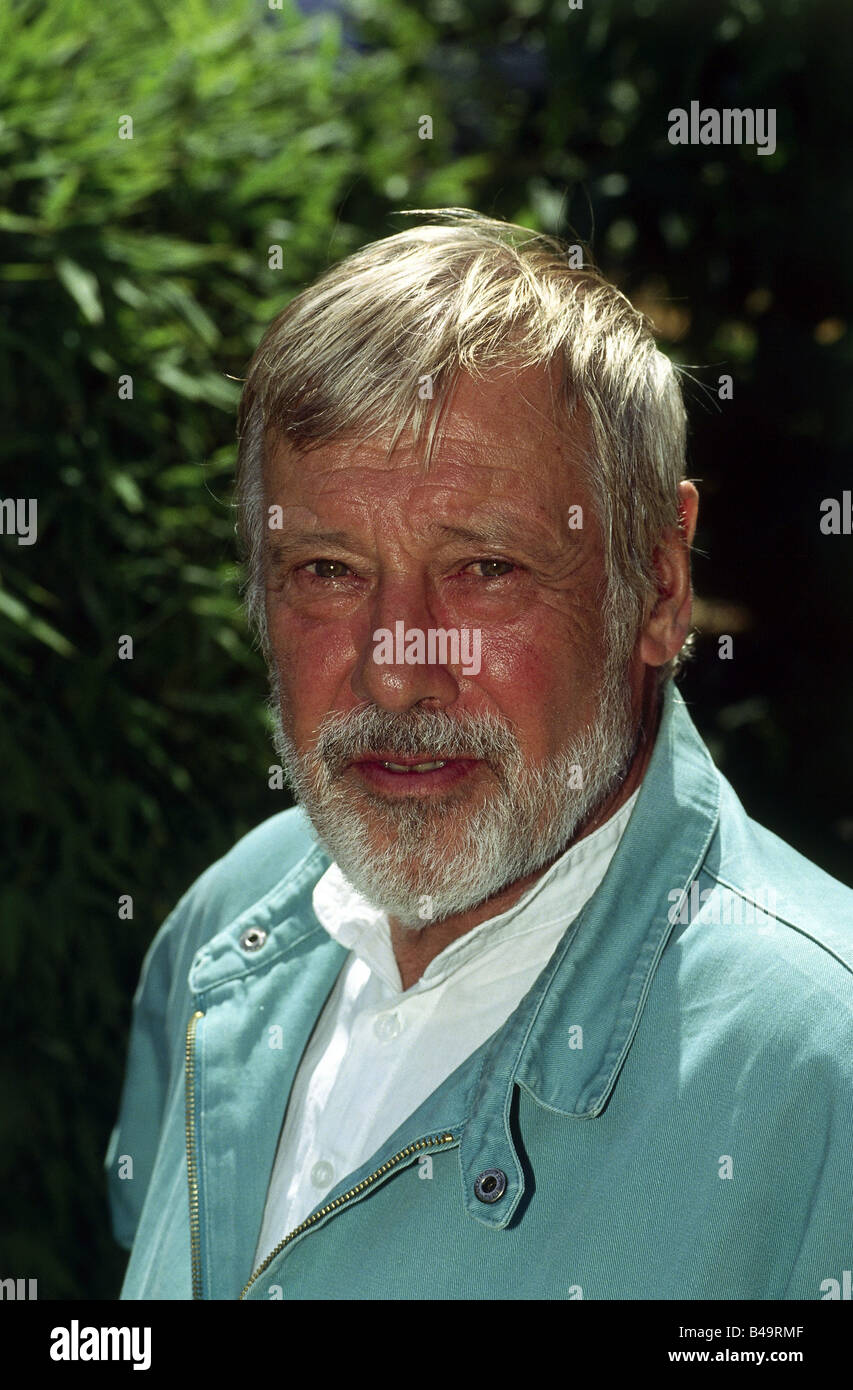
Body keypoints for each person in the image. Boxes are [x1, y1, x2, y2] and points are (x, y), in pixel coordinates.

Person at [106, 210, 853, 1300]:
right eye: (327, 569)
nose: (395, 668)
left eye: (485, 568)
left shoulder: (819, 1066)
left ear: (655, 587)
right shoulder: (230, 926)